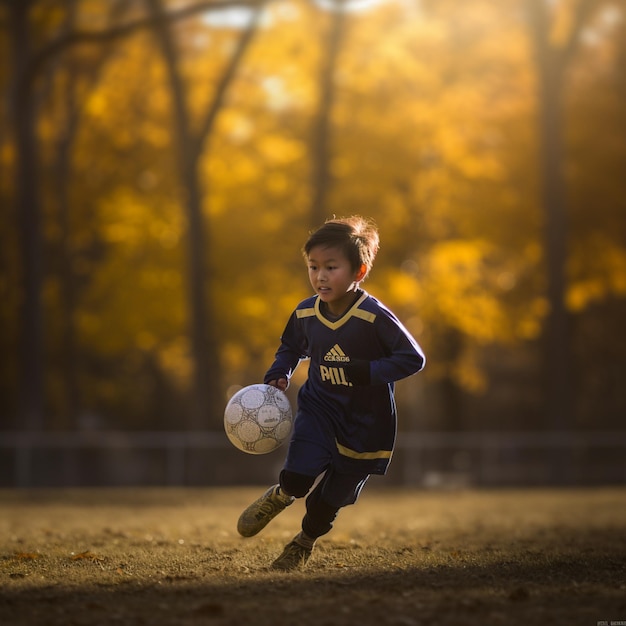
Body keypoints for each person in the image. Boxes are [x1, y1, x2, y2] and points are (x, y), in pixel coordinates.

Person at [237, 216, 425, 570]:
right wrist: (280, 372)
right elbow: (290, 346)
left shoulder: (374, 317)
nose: (320, 276)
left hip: (367, 424)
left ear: (359, 271)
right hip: (319, 409)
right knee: (298, 475)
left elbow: (413, 359)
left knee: (328, 502)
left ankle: (303, 543)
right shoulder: (306, 312)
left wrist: (368, 372)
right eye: (313, 267)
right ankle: (280, 495)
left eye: (331, 267)